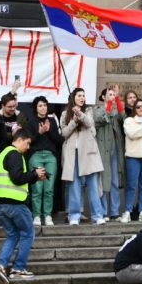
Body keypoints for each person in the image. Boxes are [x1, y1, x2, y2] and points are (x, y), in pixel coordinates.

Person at [0, 129, 47, 284]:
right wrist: (34, 174)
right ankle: (18, 268)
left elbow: (14, 178)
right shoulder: (15, 154)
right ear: (20, 140)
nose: (28, 147)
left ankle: (0, 264)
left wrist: (34, 177)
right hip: (14, 204)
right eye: (27, 143)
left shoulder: (4, 153)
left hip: (0, 204)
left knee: (13, 235)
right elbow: (17, 178)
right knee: (28, 234)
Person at [60, 88, 105, 226]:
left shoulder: (88, 110)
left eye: (84, 96)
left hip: (89, 153)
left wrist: (80, 114)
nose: (82, 98)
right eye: (79, 95)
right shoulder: (65, 113)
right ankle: (74, 215)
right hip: (73, 154)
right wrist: (73, 120)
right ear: (73, 97)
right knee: (74, 185)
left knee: (93, 185)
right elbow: (64, 133)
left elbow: (90, 123)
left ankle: (97, 215)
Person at [26, 95, 62, 226]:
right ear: (36, 108)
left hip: (50, 156)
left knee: (49, 188)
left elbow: (59, 141)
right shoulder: (31, 122)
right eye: (40, 105)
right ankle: (36, 216)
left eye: (45, 105)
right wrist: (39, 132)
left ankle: (47, 215)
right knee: (37, 188)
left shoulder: (52, 121)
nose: (43, 108)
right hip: (36, 156)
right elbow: (28, 141)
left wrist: (49, 131)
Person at [95, 87, 126, 221]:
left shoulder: (116, 110)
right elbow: (102, 119)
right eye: (109, 94)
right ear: (103, 97)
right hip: (102, 150)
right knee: (103, 181)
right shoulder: (97, 110)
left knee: (114, 181)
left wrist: (118, 99)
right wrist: (109, 104)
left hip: (115, 150)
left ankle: (114, 211)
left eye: (114, 94)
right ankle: (103, 211)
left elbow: (124, 117)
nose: (112, 96)